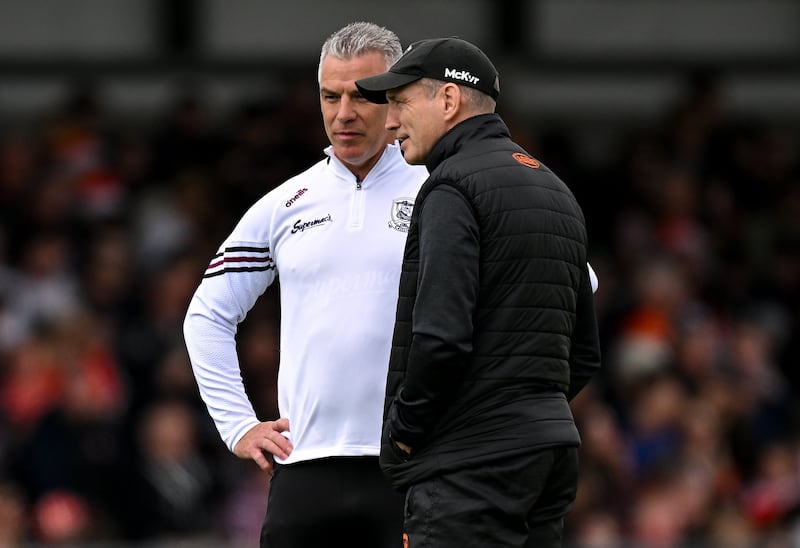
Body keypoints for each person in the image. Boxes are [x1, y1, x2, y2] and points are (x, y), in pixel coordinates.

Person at [183, 22, 428, 548]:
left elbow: (564, 284)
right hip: (304, 471)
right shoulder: (286, 204)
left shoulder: (444, 190)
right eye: (329, 95)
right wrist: (238, 426)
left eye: (362, 95)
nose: (344, 114)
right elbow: (206, 315)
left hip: (414, 468)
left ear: (397, 97)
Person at [355, 37, 602, 547]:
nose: (391, 122)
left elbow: (441, 338)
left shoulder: (452, 186)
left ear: (448, 100)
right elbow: (584, 353)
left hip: (470, 465)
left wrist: (402, 432)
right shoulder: (556, 191)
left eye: (400, 103)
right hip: (549, 455)